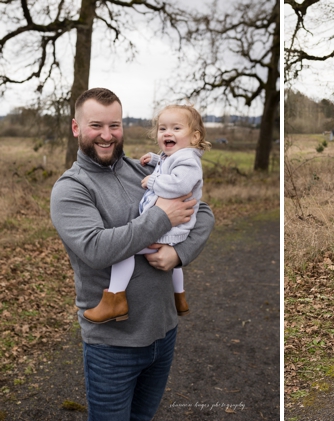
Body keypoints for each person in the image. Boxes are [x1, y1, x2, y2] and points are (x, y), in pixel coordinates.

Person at [50, 88, 214, 420]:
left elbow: (204, 212)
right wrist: (161, 218)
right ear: (76, 127)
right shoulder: (71, 188)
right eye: (97, 125)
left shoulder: (140, 170)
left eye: (115, 125)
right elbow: (97, 249)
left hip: (164, 331)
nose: (107, 135)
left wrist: (178, 254)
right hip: (113, 346)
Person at [84, 104, 209, 323]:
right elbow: (166, 164)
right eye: (162, 129)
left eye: (176, 128)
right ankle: (180, 297)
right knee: (127, 248)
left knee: (123, 251)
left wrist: (152, 181)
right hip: (173, 229)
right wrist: (154, 159)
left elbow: (180, 184)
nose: (167, 133)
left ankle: (115, 299)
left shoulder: (187, 160)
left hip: (169, 231)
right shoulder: (175, 156)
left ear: (195, 136)